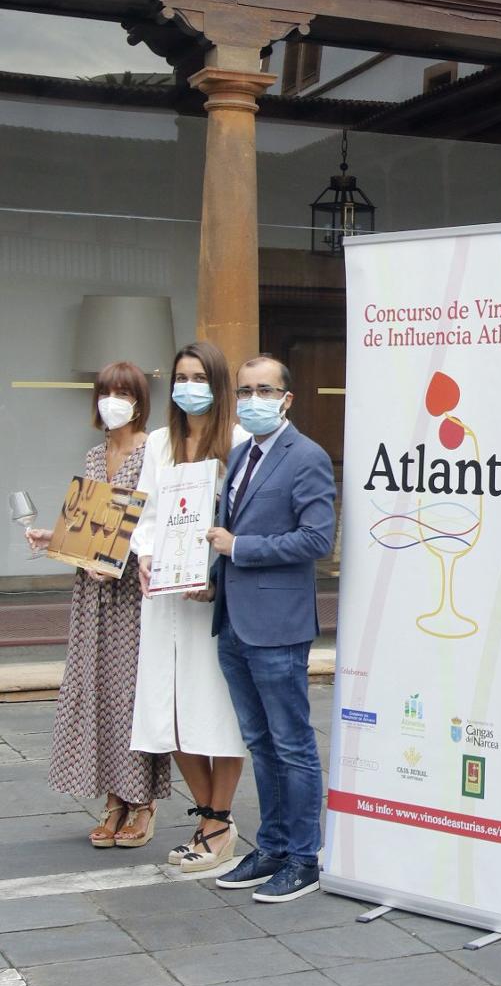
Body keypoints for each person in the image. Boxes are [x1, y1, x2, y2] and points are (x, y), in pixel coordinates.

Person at [207, 355, 337, 903]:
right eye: (244, 390)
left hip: (278, 624)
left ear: (287, 398)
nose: (252, 399)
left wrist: (241, 549)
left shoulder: (305, 457)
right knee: (260, 742)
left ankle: (304, 857)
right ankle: (273, 845)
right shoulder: (239, 454)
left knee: (292, 743)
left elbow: (316, 539)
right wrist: (212, 575)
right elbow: (224, 531)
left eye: (265, 390)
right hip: (234, 619)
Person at [130, 341, 249, 874]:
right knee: (168, 710)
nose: (188, 386)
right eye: (181, 376)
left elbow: (246, 521)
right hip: (163, 598)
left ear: (218, 384)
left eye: (199, 376)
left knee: (216, 709)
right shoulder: (159, 442)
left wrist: (216, 575)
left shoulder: (241, 442)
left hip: (213, 599)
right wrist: (145, 554)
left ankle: (218, 821)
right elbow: (144, 513)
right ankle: (208, 814)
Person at [40, 362, 168, 847]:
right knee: (96, 692)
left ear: (139, 399)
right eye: (105, 392)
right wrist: (55, 538)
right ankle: (112, 800)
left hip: (133, 591)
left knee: (131, 695)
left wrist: (119, 555)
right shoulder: (95, 453)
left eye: (122, 392)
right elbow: (88, 520)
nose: (112, 400)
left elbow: (152, 518)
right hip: (93, 593)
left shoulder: (153, 447)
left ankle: (142, 802)